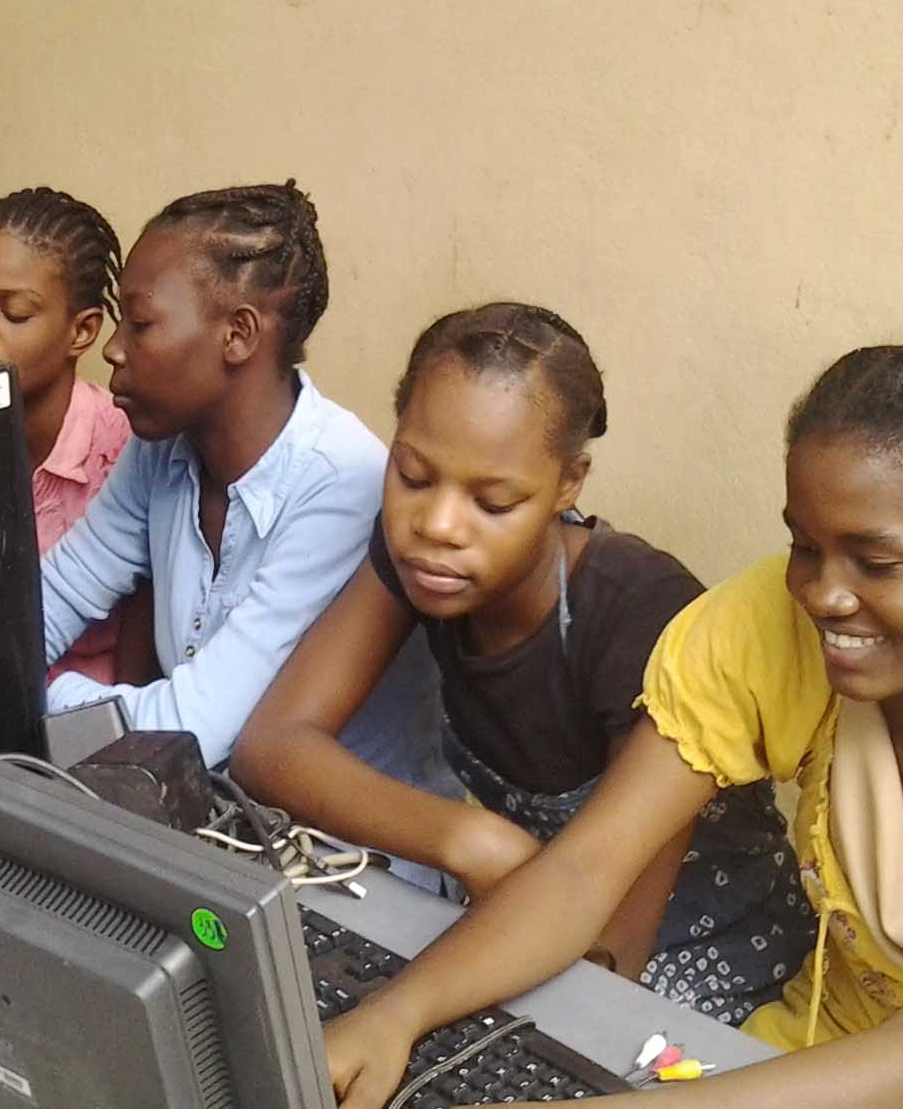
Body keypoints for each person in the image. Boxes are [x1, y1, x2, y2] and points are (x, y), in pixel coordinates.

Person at [324, 344, 903, 1109]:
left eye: (876, 561)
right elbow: (587, 870)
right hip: (803, 1059)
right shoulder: (773, 625)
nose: (823, 593)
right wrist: (396, 1014)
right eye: (805, 544)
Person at [233, 302, 811, 1019]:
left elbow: (613, 958)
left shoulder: (636, 612)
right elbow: (272, 743)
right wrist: (469, 839)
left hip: (687, 951)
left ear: (569, 483)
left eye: (493, 500)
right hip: (528, 909)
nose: (438, 526)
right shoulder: (420, 565)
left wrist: (506, 885)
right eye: (413, 476)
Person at [39, 180, 443, 786]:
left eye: (141, 325)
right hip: (211, 816)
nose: (114, 351)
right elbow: (52, 598)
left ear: (239, 334)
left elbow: (192, 733)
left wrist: (39, 693)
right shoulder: (162, 448)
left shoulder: (341, 482)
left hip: (338, 857)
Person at [0, 187, 153, 684]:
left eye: (14, 312)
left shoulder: (130, 454)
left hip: (85, 727)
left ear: (81, 332)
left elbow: (142, 671)